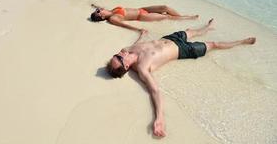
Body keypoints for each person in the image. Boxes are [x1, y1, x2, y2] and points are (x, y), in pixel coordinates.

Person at [106, 19, 256, 137]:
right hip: (184, 50)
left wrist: (141, 35)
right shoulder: (142, 68)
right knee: (214, 44)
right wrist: (159, 118)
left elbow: (137, 44)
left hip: (171, 38)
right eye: (119, 58)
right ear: (125, 67)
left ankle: (207, 28)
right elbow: (155, 91)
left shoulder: (126, 50)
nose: (119, 53)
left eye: (116, 55)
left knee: (191, 31)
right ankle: (241, 42)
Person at [90, 4, 198, 34]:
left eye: (98, 10)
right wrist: (138, 30)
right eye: (98, 11)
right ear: (102, 17)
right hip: (142, 16)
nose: (99, 9)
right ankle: (188, 18)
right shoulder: (113, 18)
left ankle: (182, 16)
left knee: (165, 7)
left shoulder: (111, 11)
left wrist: (95, 6)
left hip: (142, 9)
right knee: (167, 16)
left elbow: (102, 8)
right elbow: (124, 25)